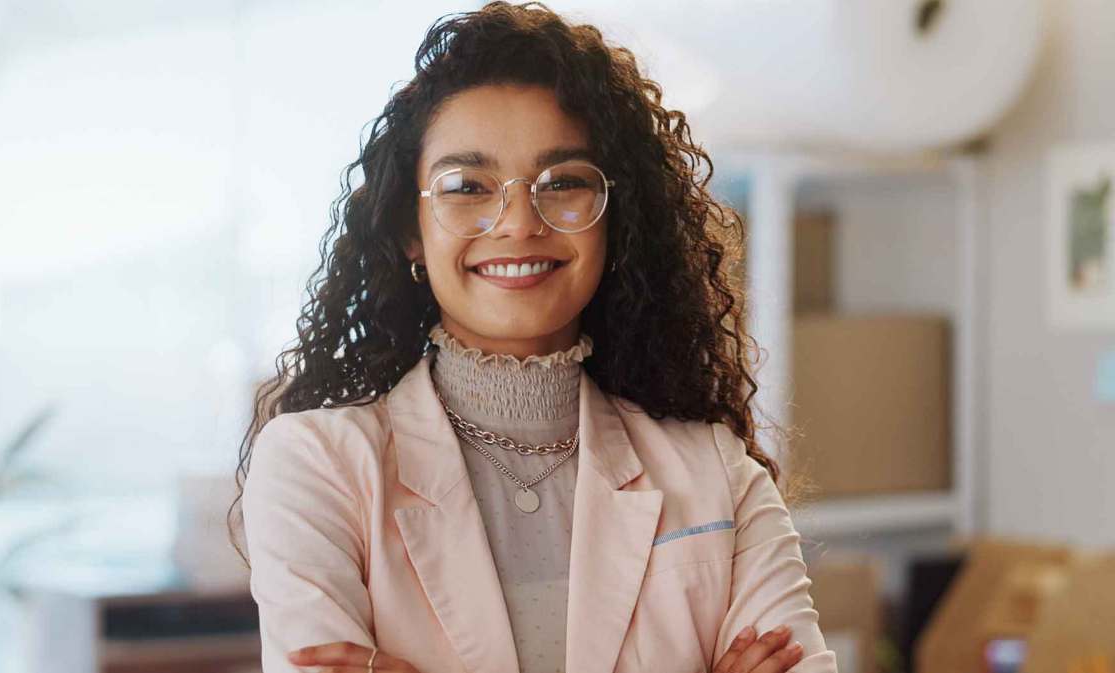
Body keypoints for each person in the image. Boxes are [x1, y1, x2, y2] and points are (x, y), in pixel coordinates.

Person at [230, 3, 837, 672]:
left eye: (565, 182)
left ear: (617, 218)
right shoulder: (315, 467)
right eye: (467, 186)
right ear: (411, 228)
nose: (519, 221)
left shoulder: (717, 471)